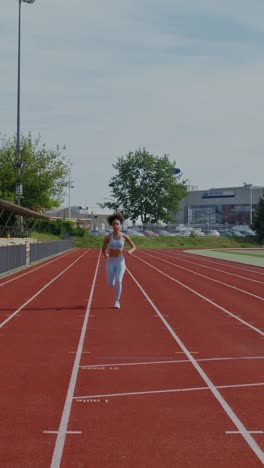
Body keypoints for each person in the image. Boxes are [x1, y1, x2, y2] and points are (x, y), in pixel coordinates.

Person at [102, 212, 136, 309]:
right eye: (114, 224)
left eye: (117, 224)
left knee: (118, 280)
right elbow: (103, 249)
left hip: (120, 261)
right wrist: (105, 254)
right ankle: (111, 281)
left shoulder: (124, 237)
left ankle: (117, 301)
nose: (116, 226)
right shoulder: (108, 237)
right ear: (111, 226)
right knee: (110, 284)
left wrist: (130, 251)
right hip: (111, 262)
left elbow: (134, 246)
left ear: (120, 225)